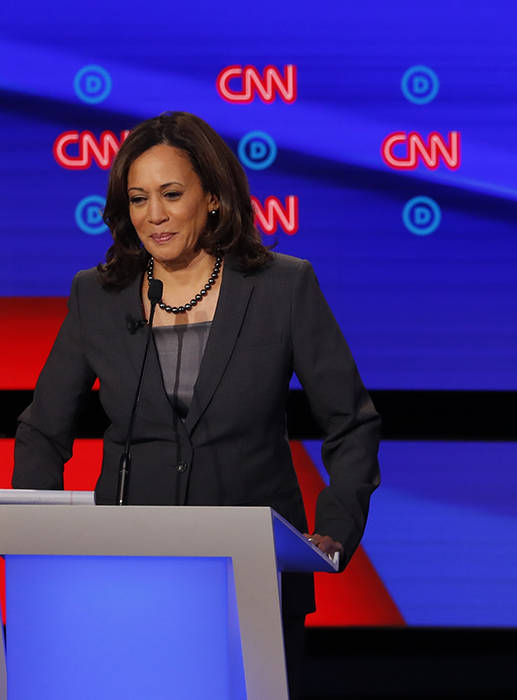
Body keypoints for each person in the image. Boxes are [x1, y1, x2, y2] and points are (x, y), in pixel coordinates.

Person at [13, 111, 381, 697]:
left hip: (252, 575)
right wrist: (42, 556)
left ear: (212, 198)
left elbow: (351, 423)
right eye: (138, 199)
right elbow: (42, 432)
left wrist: (334, 530)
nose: (153, 216)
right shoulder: (98, 296)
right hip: (128, 579)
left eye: (171, 194)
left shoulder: (283, 288)